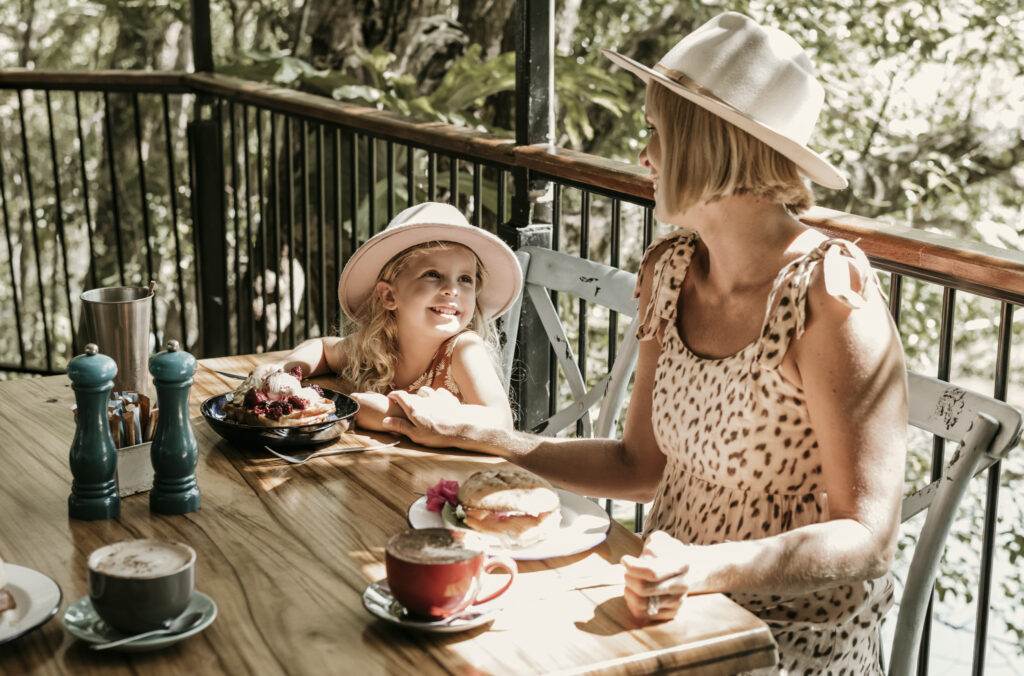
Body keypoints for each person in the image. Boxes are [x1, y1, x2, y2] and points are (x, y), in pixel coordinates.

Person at [379, 12, 908, 675]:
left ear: (708, 144)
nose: (643, 152)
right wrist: (475, 435)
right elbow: (639, 466)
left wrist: (702, 568)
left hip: (784, 639)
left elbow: (868, 538)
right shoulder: (673, 269)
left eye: (656, 132)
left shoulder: (831, 299)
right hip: (657, 602)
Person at [282, 201, 522, 431]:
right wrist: (283, 371)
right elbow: (324, 350)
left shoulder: (463, 350)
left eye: (465, 279)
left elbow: (501, 422)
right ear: (388, 296)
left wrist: (392, 412)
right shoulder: (379, 345)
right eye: (433, 274)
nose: (452, 289)